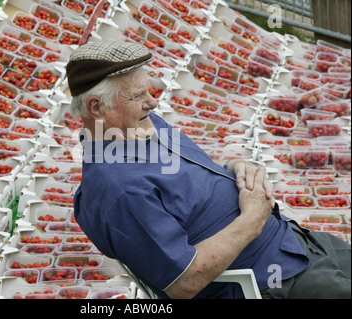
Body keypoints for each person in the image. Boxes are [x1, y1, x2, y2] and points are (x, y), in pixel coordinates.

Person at [65, 40, 351, 299]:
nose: (152, 102)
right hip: (270, 278)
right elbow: (184, 281)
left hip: (290, 241)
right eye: (138, 96)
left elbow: (193, 179)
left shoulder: (135, 128)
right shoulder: (120, 191)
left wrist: (235, 168)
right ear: (97, 107)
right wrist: (252, 218)